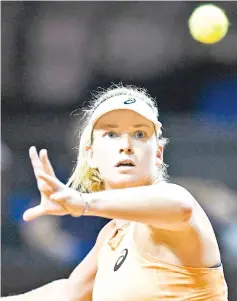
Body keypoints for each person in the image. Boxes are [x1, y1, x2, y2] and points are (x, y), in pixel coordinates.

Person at [3, 85, 228, 300]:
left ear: (158, 153)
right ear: (90, 155)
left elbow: (180, 204)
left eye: (139, 134)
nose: (126, 145)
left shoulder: (172, 204)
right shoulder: (111, 235)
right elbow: (68, 292)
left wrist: (83, 202)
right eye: (111, 134)